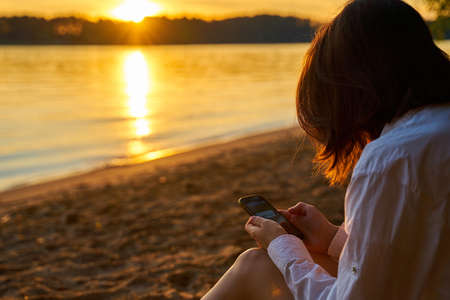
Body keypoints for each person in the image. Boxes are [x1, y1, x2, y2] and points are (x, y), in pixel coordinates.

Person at [202, 0, 450, 299]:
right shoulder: (438, 128)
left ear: (351, 87)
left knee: (255, 264)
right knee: (255, 263)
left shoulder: (392, 158)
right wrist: (332, 238)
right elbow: (419, 257)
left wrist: (282, 246)